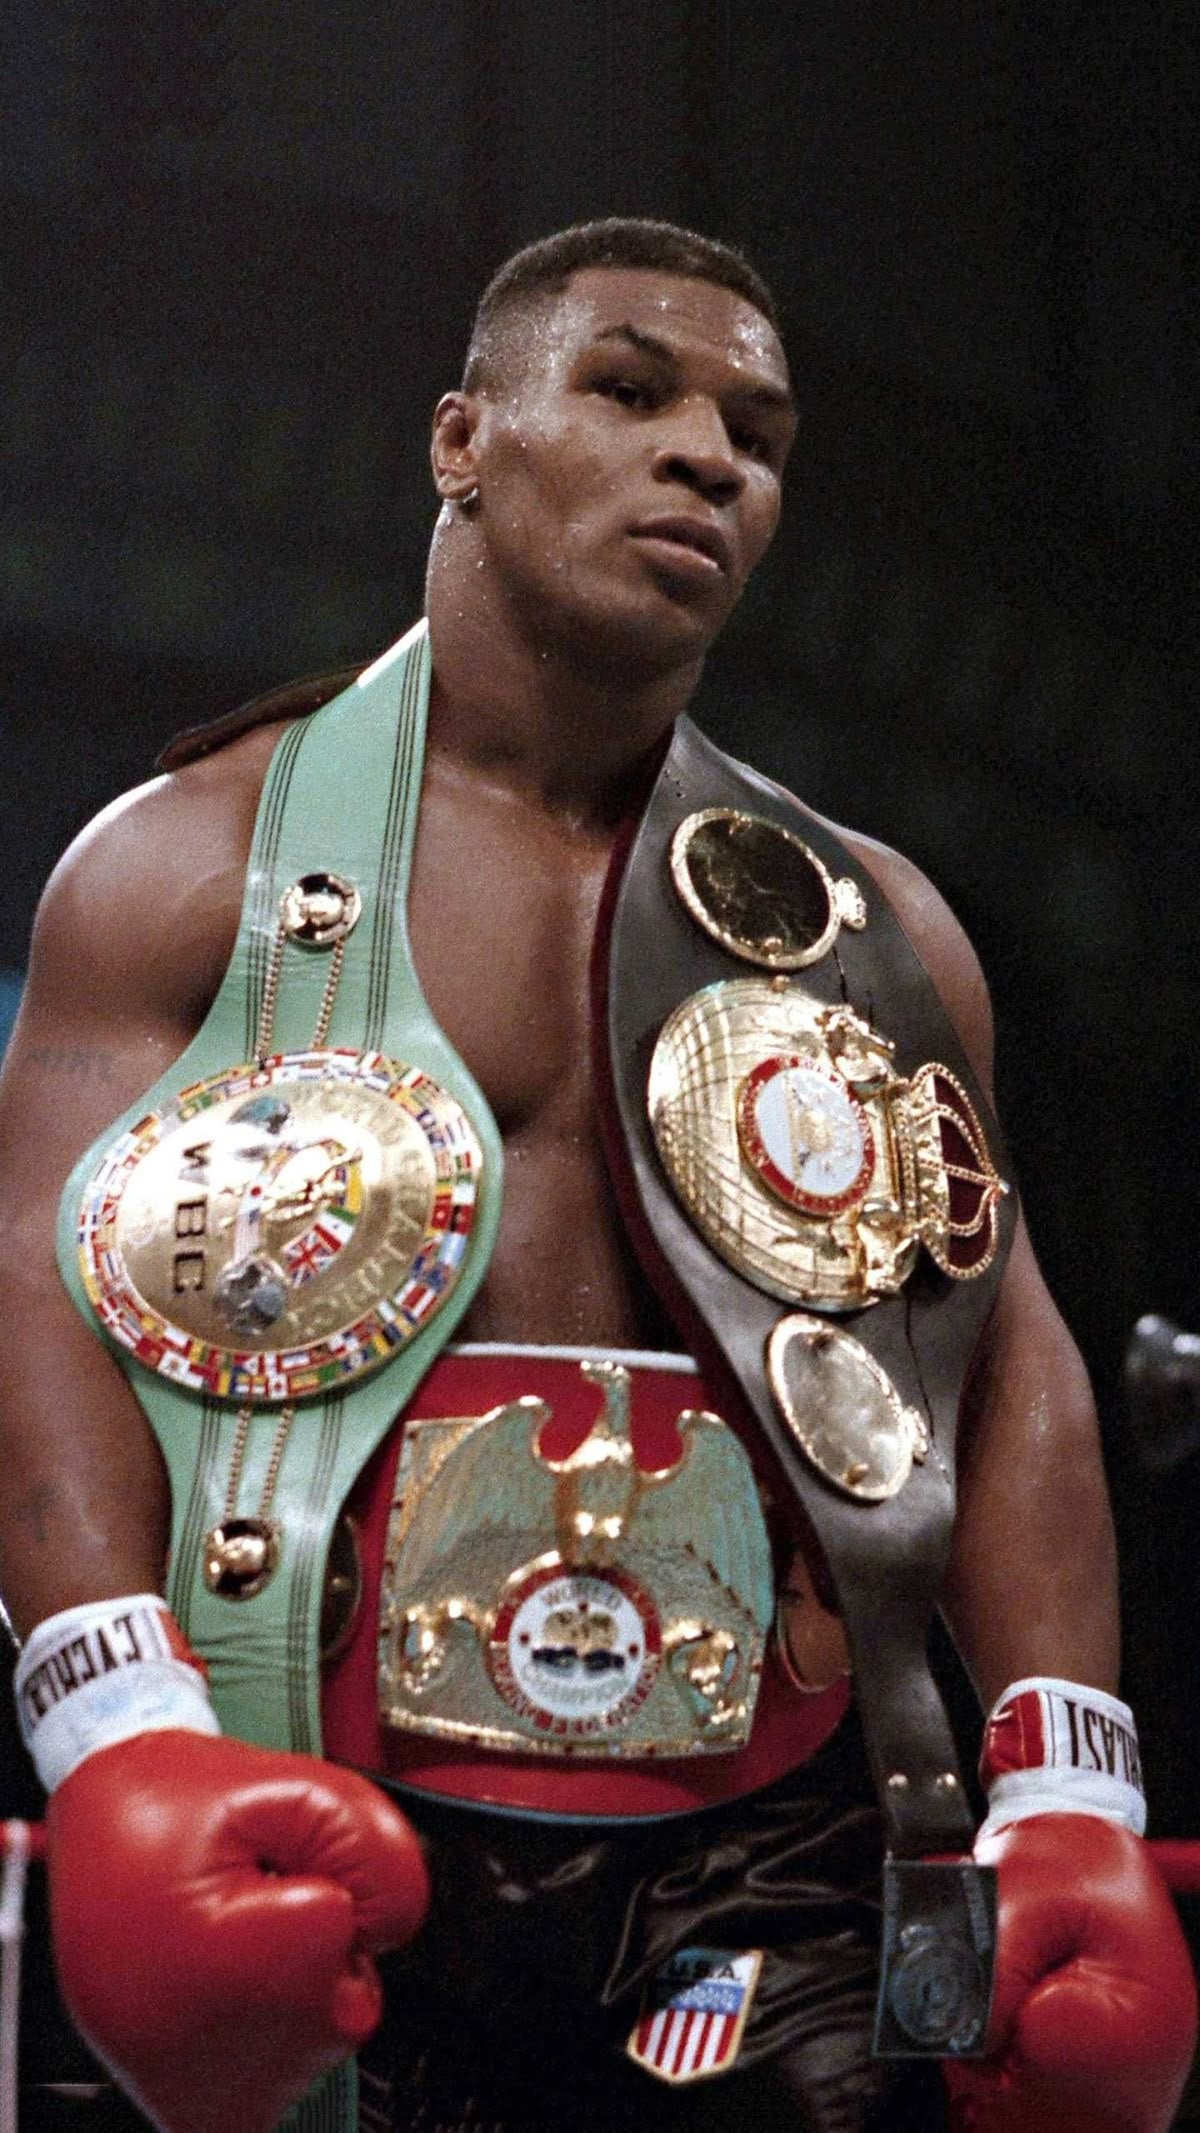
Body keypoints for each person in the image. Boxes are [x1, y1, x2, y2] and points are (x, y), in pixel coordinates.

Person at [0, 219, 1193, 2133]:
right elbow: (36, 1289)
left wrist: (1068, 1791)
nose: (711, 454)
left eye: (758, 428)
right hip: (315, 1788)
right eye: (633, 390)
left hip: (775, 1838)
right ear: (463, 437)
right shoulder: (183, 867)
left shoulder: (876, 932)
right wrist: (124, 1737)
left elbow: (1004, 1354)